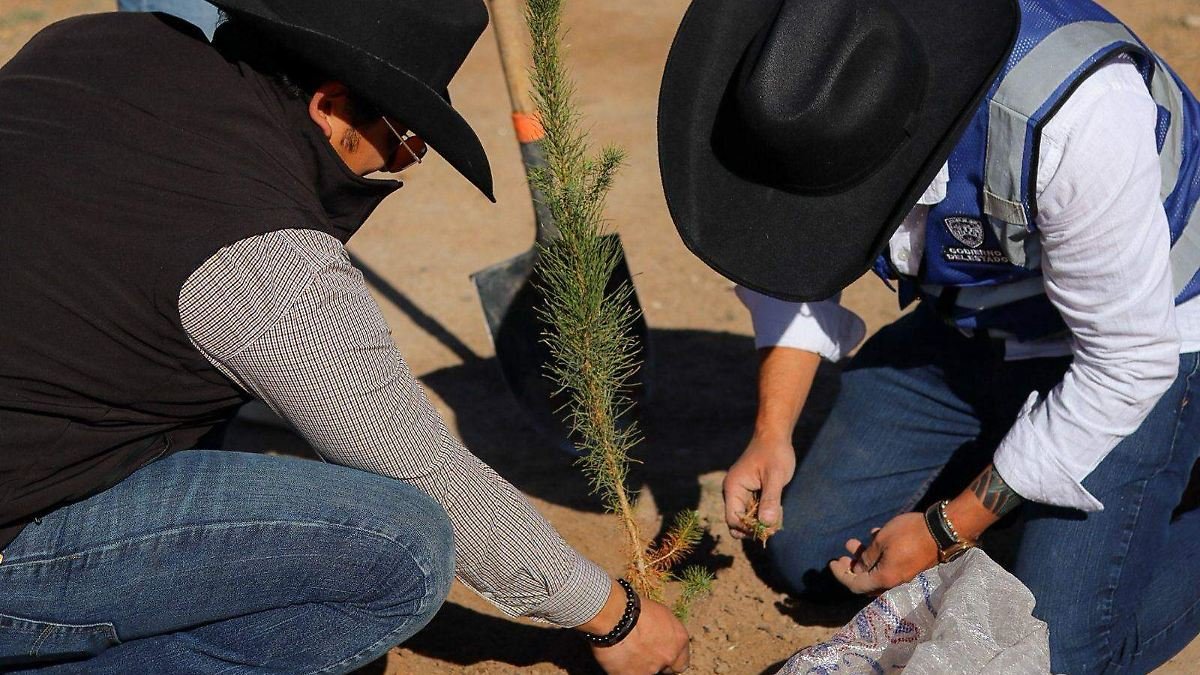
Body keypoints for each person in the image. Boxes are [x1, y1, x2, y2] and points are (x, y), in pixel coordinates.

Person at [0, 2, 690, 673]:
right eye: (403, 135)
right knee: (401, 549)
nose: (406, 161)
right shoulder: (262, 254)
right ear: (328, 106)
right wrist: (613, 614)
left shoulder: (92, 44)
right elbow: (426, 469)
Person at [658, 0, 1200, 672]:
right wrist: (773, 428)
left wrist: (949, 526)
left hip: (1156, 336)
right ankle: (1029, 478)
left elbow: (1128, 360)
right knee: (807, 552)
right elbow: (790, 249)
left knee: (1044, 651)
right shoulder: (808, 64)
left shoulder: (1073, 110)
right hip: (981, 324)